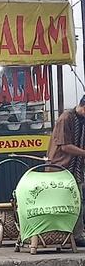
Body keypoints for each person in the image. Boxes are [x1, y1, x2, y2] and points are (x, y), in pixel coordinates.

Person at [47, 95, 85, 246]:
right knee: (69, 202)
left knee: (79, 201)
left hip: (77, 167)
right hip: (61, 167)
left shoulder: (82, 121)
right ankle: (70, 235)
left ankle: (76, 234)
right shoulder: (65, 118)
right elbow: (65, 146)